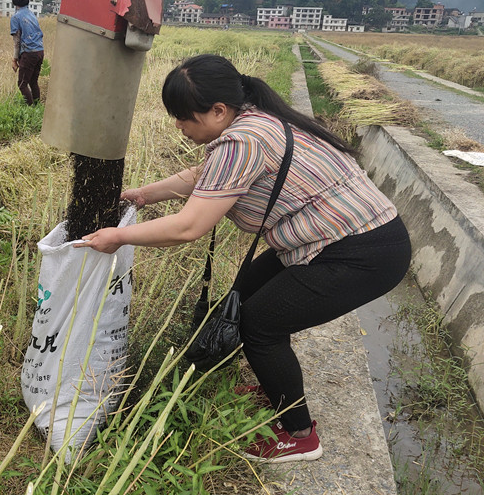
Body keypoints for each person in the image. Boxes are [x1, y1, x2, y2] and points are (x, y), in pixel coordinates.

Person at [74, 54, 411, 463]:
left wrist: (118, 236)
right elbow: (204, 177)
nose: (178, 127)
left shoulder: (244, 140)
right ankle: (277, 388)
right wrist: (142, 195)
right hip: (335, 239)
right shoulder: (252, 122)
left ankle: (300, 436)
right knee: (244, 294)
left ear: (218, 111)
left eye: (183, 117)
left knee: (259, 323)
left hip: (361, 251)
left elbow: (188, 227)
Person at [9, 0, 44, 105]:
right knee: (33, 82)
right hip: (40, 51)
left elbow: (17, 41)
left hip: (29, 53)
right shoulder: (31, 14)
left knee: (22, 84)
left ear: (14, 2)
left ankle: (31, 110)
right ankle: (38, 107)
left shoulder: (16, 17)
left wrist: (14, 59)